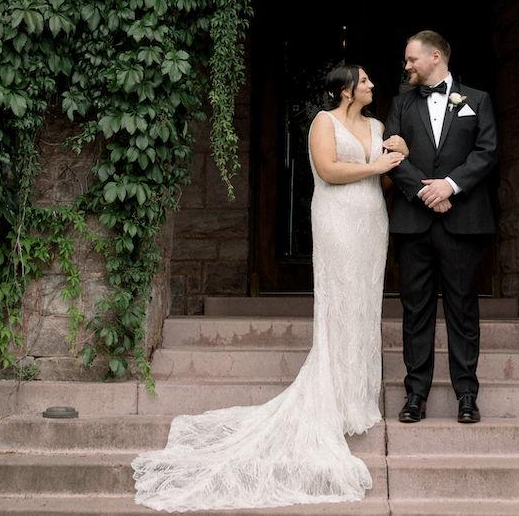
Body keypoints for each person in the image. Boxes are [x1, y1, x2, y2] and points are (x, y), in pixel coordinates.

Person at [131, 64, 404, 511]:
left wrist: (397, 157)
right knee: (340, 301)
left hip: (372, 218)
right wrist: (374, 165)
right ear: (345, 89)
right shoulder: (323, 122)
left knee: (364, 302)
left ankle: (358, 395)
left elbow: (386, 179)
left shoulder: (377, 127)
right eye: (365, 80)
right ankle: (333, 395)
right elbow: (328, 170)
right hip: (337, 217)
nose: (373, 84)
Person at [382, 30, 498, 425]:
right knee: (416, 312)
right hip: (414, 224)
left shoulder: (477, 100)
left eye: (412, 59)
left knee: (463, 311)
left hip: (462, 221)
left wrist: (450, 185)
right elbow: (390, 153)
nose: (407, 66)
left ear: (435, 57)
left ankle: (467, 395)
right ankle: (415, 395)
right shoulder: (400, 104)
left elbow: (487, 151)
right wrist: (425, 191)